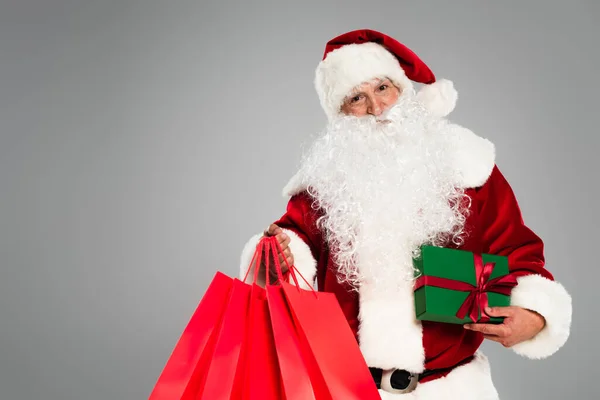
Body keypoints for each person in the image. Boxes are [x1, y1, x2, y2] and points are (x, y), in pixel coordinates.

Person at [238, 29, 572, 399]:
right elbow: (290, 250)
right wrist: (276, 255)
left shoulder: (467, 165)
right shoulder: (322, 182)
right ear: (340, 113)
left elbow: (518, 249)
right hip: (345, 387)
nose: (377, 108)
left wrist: (535, 315)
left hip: (451, 388)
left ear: (403, 89)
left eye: (383, 88)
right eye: (356, 98)